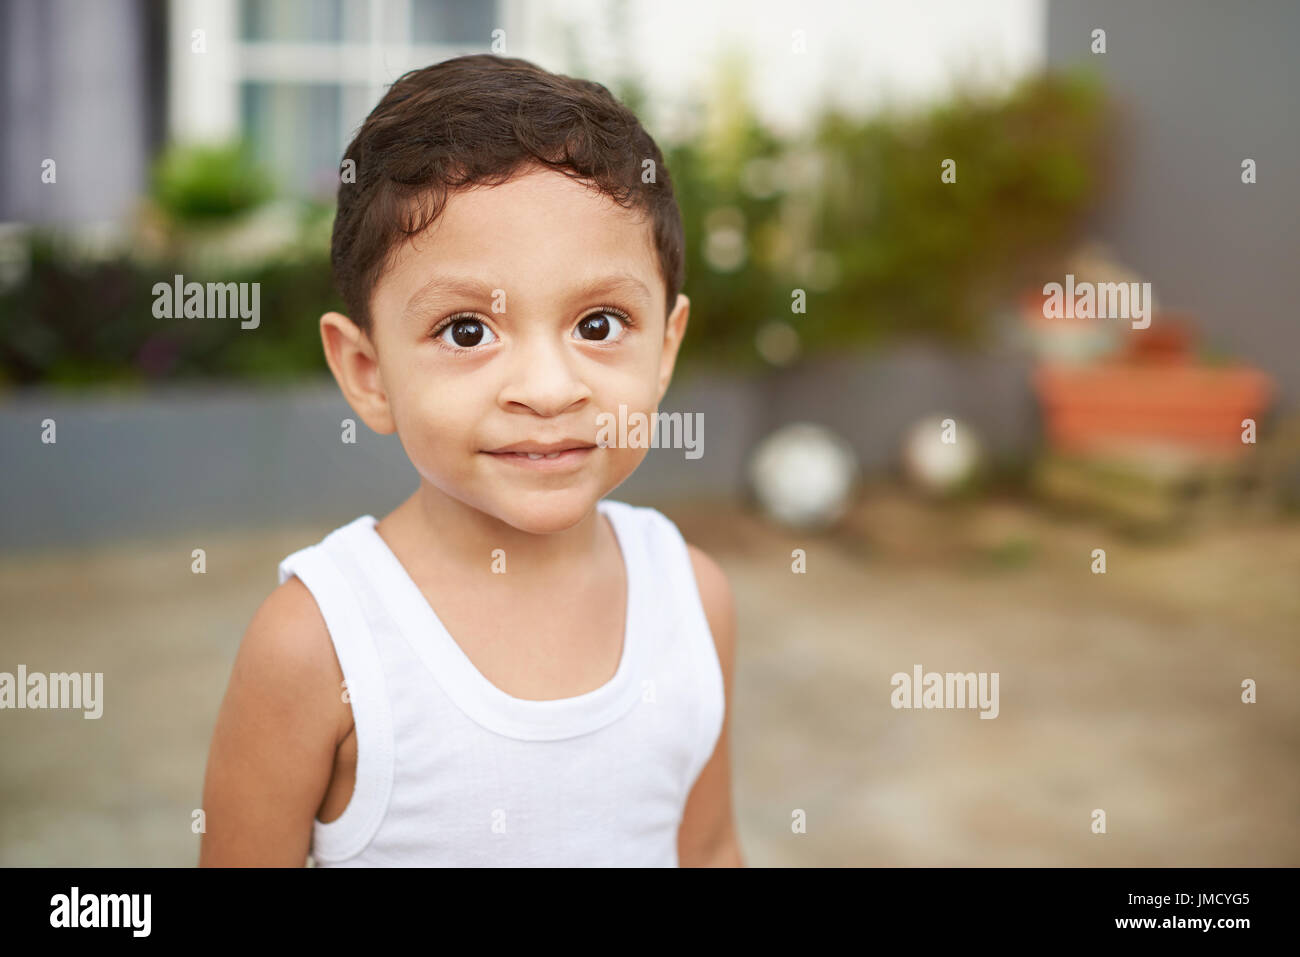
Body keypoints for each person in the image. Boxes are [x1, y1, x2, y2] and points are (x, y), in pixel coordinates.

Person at [198, 54, 742, 867]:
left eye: (599, 323)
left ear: (666, 347)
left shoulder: (693, 598)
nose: (548, 389)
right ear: (368, 373)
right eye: (466, 331)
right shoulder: (319, 645)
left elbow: (708, 851)